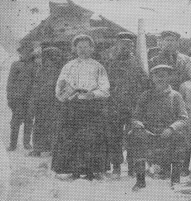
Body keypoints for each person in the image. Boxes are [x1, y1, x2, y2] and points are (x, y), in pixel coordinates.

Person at [52, 34, 110, 181]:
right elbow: (59, 86)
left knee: (91, 138)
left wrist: (94, 94)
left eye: (86, 47)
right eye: (79, 47)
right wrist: (64, 95)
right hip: (72, 107)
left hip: (92, 107)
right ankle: (73, 170)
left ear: (92, 49)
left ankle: (91, 171)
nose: (83, 50)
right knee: (72, 138)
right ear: (74, 49)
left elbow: (105, 89)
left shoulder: (98, 67)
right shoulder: (68, 66)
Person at [130, 64, 188, 191]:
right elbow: (136, 117)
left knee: (180, 137)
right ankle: (140, 181)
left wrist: (171, 128)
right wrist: (140, 126)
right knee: (135, 136)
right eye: (157, 76)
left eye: (164, 76)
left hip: (168, 134)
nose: (160, 79)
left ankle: (175, 180)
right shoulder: (145, 95)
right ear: (152, 78)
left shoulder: (176, 96)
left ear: (169, 78)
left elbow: (183, 119)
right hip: (149, 134)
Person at [105, 32, 147, 178]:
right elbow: (105, 84)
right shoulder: (110, 63)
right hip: (115, 106)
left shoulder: (136, 62)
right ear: (118, 45)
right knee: (115, 137)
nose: (126, 47)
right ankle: (116, 166)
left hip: (132, 107)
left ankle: (131, 167)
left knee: (133, 137)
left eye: (129, 45)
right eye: (123, 44)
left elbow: (144, 81)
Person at [28, 47, 65, 157]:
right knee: (40, 125)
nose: (52, 60)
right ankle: (38, 148)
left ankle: (53, 148)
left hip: (55, 103)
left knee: (54, 126)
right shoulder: (41, 71)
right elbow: (36, 87)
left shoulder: (61, 71)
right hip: (42, 103)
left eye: (54, 58)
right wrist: (33, 102)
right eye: (49, 58)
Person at [6, 42, 37, 151]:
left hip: (30, 98)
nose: (26, 53)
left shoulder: (35, 65)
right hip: (18, 98)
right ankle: (12, 144)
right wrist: (10, 98)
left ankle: (27, 143)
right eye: (23, 51)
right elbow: (10, 82)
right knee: (15, 121)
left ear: (31, 52)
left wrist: (34, 98)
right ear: (21, 52)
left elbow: (36, 82)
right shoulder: (15, 65)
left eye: (28, 51)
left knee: (29, 121)